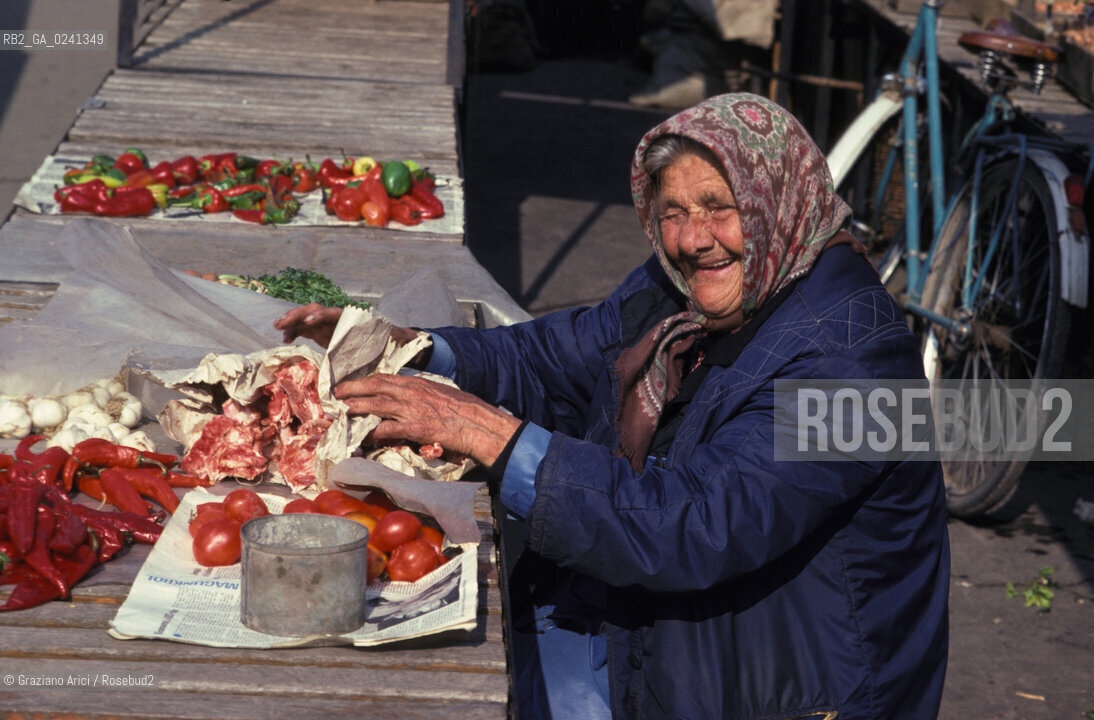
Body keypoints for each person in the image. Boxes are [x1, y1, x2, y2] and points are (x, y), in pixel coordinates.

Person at [275, 93, 950, 720]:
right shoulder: (677, 291)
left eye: (721, 207)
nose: (694, 239)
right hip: (661, 642)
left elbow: (696, 523)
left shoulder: (858, 362)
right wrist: (414, 351)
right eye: (675, 214)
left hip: (777, 693)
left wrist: (494, 438)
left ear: (780, 202)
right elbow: (554, 358)